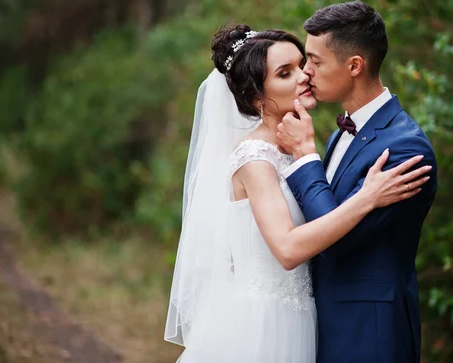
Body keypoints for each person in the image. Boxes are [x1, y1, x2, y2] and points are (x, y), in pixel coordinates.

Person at [164, 24, 432, 362]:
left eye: (303, 63)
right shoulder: (254, 157)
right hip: (262, 323)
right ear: (256, 97)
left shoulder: (296, 148)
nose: (304, 75)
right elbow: (288, 249)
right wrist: (367, 198)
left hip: (303, 319)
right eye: (285, 73)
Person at [277, 1, 438, 363]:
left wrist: (304, 155)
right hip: (324, 324)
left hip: (370, 333)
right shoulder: (343, 133)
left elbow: (336, 240)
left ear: (354, 66)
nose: (305, 72)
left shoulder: (405, 148)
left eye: (315, 62)